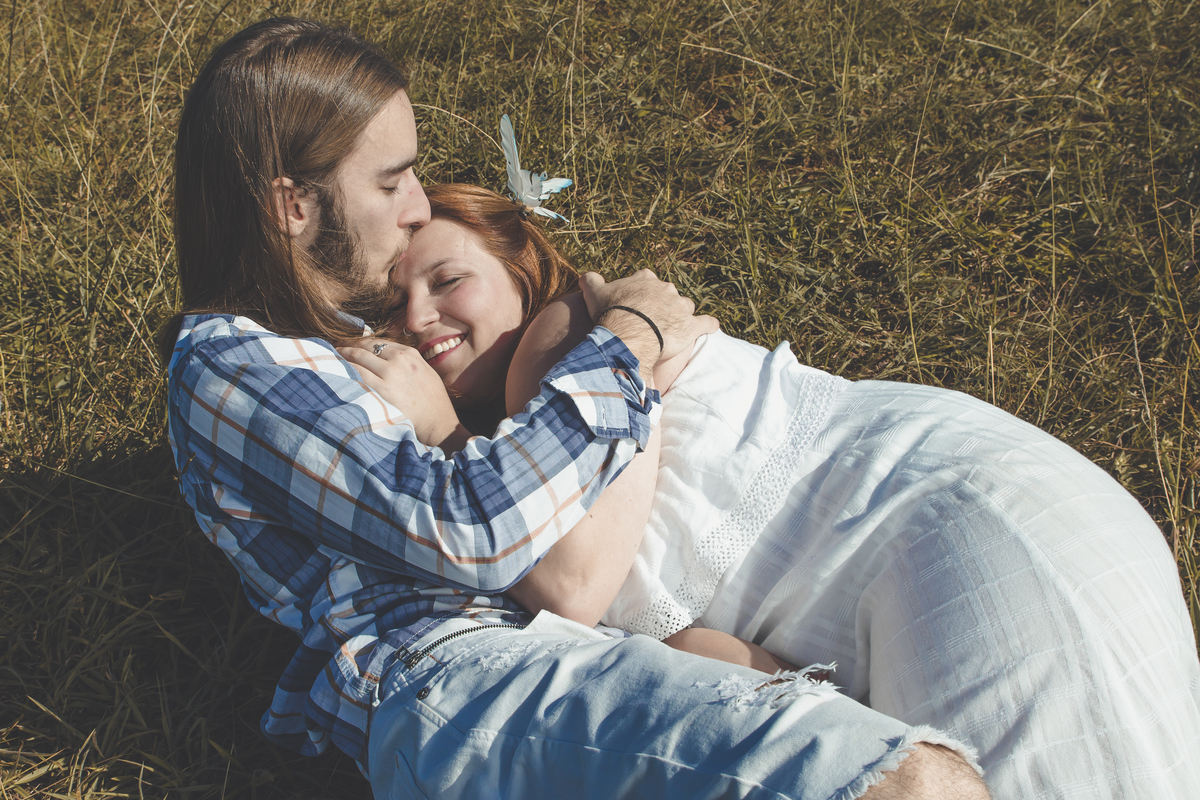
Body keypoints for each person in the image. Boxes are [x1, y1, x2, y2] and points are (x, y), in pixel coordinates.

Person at [163, 16, 988, 800]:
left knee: (916, 762)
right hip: (467, 678)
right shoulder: (231, 365)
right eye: (390, 180)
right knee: (913, 782)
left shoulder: (338, 343)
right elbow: (471, 527)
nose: (416, 205)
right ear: (293, 206)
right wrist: (626, 344)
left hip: (539, 669)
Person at [367, 180, 1200, 799]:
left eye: (447, 279)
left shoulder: (563, 339)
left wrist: (442, 433)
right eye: (394, 303)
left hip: (954, 521)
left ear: (520, 268)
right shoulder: (526, 439)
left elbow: (569, 584)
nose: (418, 316)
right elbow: (716, 661)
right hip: (965, 524)